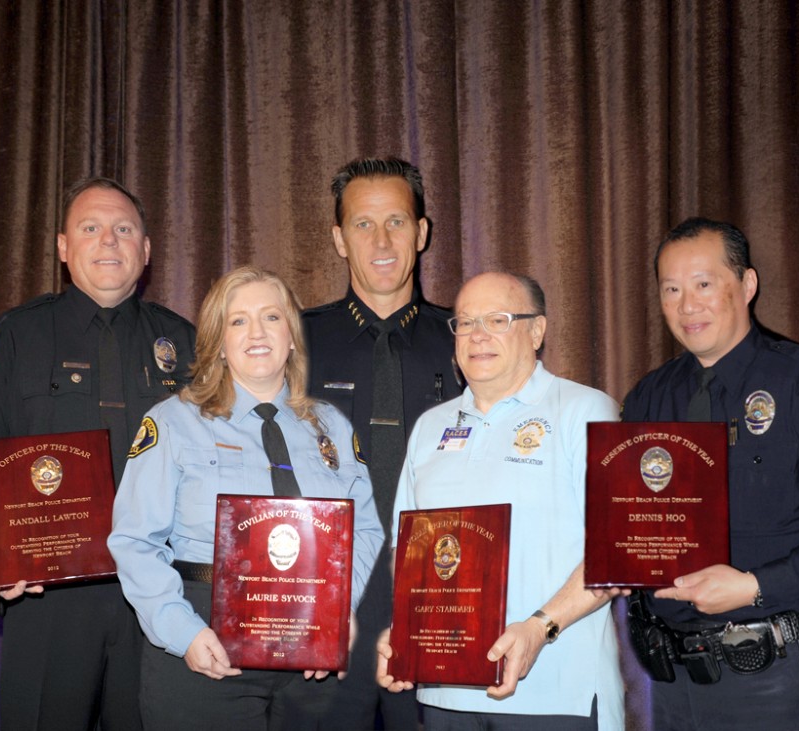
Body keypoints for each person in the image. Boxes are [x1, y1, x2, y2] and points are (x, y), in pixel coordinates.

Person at [0, 177, 196, 730]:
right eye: (91, 228)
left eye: (124, 229)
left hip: (159, 597)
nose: (109, 241)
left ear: (146, 250)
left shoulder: (187, 345)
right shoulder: (14, 337)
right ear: (62, 246)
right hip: (47, 596)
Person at [621, 217, 799, 730]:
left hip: (778, 680)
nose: (687, 305)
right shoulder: (648, 398)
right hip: (672, 681)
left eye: (703, 284)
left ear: (746, 285)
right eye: (671, 289)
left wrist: (755, 587)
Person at [108, 266, 383, 730]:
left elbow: (366, 531)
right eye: (238, 321)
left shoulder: (331, 425)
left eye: (271, 317)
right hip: (207, 642)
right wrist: (183, 633)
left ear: (292, 337)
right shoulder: (173, 422)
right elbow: (135, 541)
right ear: (218, 341)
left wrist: (337, 616)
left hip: (313, 651)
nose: (256, 332)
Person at [376, 272, 625, 730]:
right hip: (445, 695)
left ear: (537, 330)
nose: (478, 335)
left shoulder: (586, 412)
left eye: (498, 319)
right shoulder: (430, 428)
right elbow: (406, 553)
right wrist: (407, 633)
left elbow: (618, 555)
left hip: (554, 694)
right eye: (465, 323)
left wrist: (539, 628)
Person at [303, 157, 461, 729]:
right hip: (326, 597)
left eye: (396, 221)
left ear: (421, 233)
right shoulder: (295, 341)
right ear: (339, 239)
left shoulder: (468, 341)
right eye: (363, 225)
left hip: (441, 591)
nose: (382, 240)